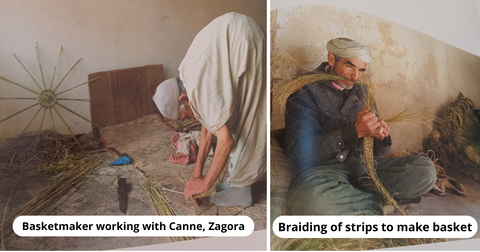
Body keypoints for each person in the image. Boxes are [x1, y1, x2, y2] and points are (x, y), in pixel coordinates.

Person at [283, 37, 436, 215]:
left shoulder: (361, 89)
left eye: (361, 70)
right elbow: (299, 152)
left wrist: (381, 136)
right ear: (331, 59)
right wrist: (352, 132)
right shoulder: (305, 90)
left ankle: (357, 201)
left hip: (365, 167)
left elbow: (377, 152)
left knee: (425, 170)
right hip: (326, 171)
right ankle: (379, 202)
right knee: (309, 197)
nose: (355, 76)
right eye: (350, 66)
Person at [154, 12, 266, 207]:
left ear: (183, 99)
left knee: (249, 118)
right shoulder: (186, 75)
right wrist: (197, 174)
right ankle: (241, 180)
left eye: (185, 116)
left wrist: (206, 183)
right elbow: (208, 124)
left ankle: (243, 188)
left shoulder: (198, 88)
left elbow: (225, 141)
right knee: (238, 117)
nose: (190, 120)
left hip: (245, 42)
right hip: (242, 33)